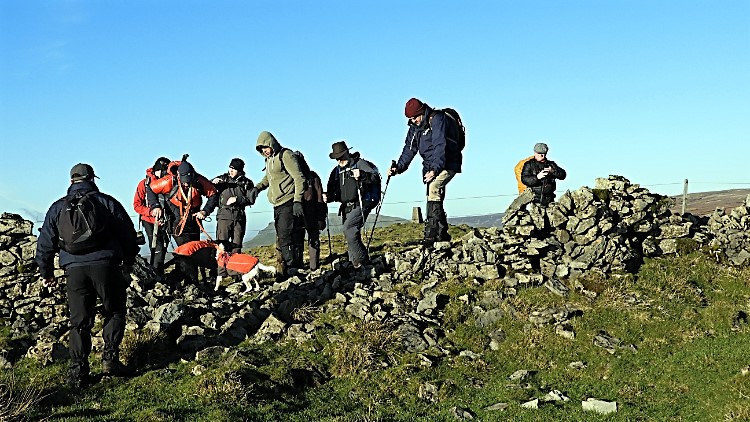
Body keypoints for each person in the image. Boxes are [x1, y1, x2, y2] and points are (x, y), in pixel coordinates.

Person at [36, 163, 139, 389]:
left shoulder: (57, 208)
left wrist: (47, 273)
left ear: (71, 180)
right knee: (114, 311)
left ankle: (78, 372)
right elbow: (128, 235)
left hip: (74, 270)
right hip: (106, 266)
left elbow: (44, 244)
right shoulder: (107, 202)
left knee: (80, 322)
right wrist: (128, 262)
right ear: (92, 178)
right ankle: (110, 360)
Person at [387, 97, 463, 246]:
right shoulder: (414, 128)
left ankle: (431, 235)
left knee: (434, 189)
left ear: (421, 112)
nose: (413, 120)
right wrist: (398, 168)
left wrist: (435, 169)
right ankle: (442, 235)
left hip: (448, 161)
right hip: (430, 166)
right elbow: (409, 150)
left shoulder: (437, 119)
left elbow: (440, 145)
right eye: (410, 118)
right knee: (432, 195)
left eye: (414, 117)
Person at [249, 131, 306, 275]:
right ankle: (289, 268)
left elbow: (299, 178)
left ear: (271, 143)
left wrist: (297, 200)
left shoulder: (286, 155)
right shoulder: (269, 160)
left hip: (289, 200)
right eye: (261, 149)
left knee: (285, 236)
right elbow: (269, 178)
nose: (264, 151)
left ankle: (292, 267)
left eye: (265, 147)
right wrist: (258, 187)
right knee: (283, 236)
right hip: (277, 203)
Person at [324, 141, 379, 270]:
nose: (339, 160)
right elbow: (334, 192)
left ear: (347, 153)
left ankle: (361, 261)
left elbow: (375, 177)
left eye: (341, 157)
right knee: (351, 233)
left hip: (362, 202)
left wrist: (362, 175)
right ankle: (355, 266)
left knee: (349, 229)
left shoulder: (360, 164)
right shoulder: (336, 172)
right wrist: (328, 196)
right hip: (346, 207)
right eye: (337, 158)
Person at [147, 160, 219, 246]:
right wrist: (155, 206)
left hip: (194, 218)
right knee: (185, 248)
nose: (186, 184)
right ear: (178, 176)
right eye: (184, 182)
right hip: (176, 218)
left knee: (195, 248)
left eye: (188, 182)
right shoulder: (168, 181)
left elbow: (213, 194)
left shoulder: (199, 181)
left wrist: (205, 211)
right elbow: (151, 189)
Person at [133, 156, 171, 277]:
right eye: (163, 170)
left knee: (164, 247)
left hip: (166, 221)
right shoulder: (144, 184)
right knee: (157, 248)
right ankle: (156, 276)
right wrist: (151, 211)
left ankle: (157, 273)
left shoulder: (170, 183)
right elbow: (137, 205)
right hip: (149, 220)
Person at [212, 158, 254, 253]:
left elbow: (251, 199)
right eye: (230, 167)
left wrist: (237, 199)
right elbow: (208, 189)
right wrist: (213, 182)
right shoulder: (223, 179)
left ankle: (234, 268)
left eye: (234, 169)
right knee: (221, 247)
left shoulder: (247, 183)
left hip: (239, 217)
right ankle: (221, 268)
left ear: (240, 171)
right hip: (224, 217)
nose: (231, 170)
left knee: (237, 247)